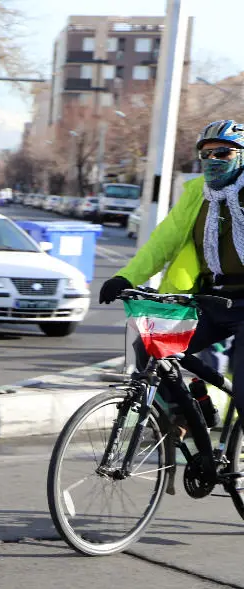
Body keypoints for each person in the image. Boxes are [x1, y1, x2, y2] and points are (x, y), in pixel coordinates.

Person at [101, 119, 244, 425]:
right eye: (206, 154)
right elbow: (163, 240)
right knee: (150, 349)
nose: (213, 161)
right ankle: (184, 417)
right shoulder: (197, 194)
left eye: (223, 153)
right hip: (211, 299)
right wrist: (126, 277)